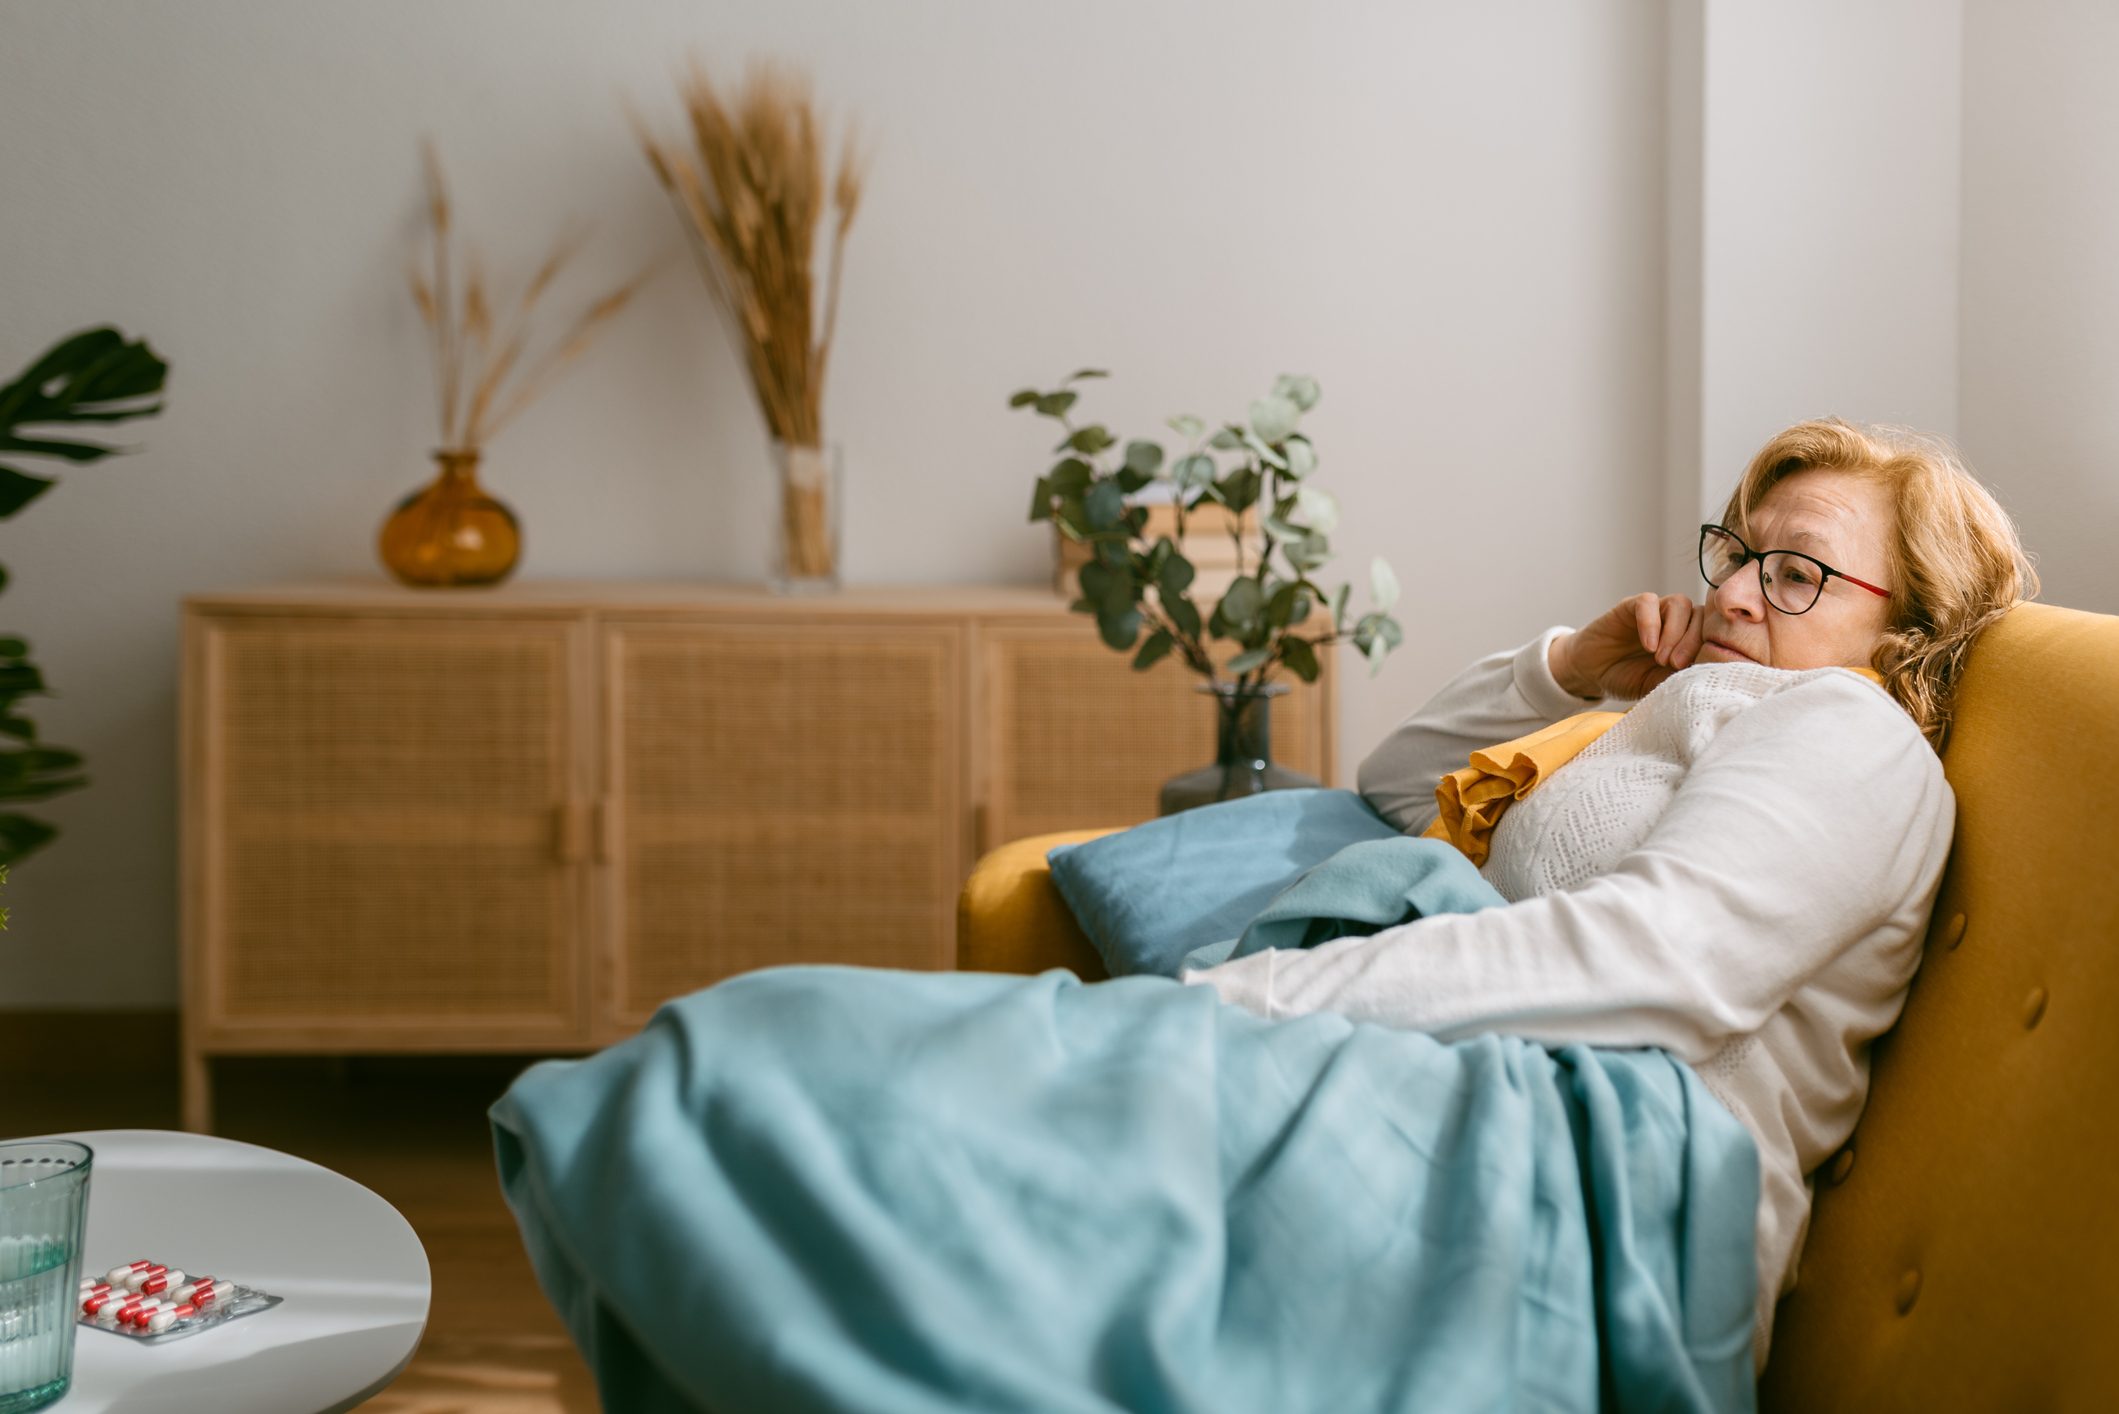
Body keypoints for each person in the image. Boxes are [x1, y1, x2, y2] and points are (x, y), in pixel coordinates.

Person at [1182, 416, 2039, 1371]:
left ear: (1905, 633)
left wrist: (1243, 1003)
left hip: (1589, 1195)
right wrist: (1573, 669)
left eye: (1797, 574)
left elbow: (1653, 959)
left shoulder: (1847, 728)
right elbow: (1393, 784)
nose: (1733, 595)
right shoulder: (1672, 713)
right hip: (1469, 1097)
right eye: (1738, 553)